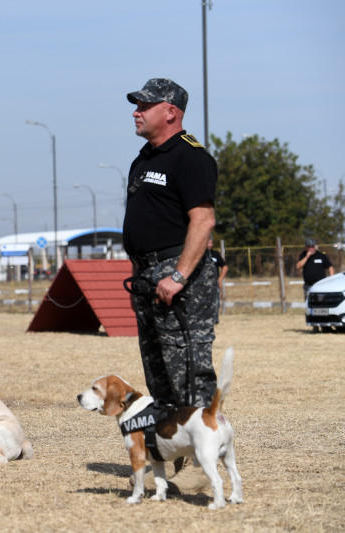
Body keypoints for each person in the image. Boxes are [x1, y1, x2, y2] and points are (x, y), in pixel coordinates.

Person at [122, 78, 218, 493]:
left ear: (170, 111)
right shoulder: (143, 158)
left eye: (144, 104)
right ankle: (172, 460)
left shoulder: (191, 158)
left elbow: (203, 221)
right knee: (159, 375)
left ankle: (203, 458)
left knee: (190, 373)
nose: (135, 111)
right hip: (146, 277)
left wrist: (177, 275)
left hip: (179, 278)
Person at [207, 236, 228, 322]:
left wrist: (220, 279)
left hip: (214, 283)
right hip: (202, 284)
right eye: (209, 242)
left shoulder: (215, 254)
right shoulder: (198, 255)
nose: (211, 244)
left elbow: (225, 267)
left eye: (212, 242)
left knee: (215, 302)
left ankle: (215, 320)